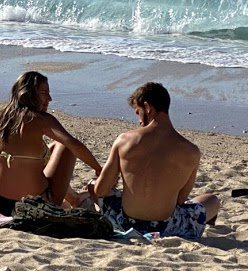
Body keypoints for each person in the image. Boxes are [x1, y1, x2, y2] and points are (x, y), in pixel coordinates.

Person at [89, 82, 220, 239]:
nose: (138, 121)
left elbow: (100, 191)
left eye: (138, 112)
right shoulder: (191, 151)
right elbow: (180, 200)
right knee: (212, 200)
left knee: (93, 185)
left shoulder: (124, 140)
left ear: (147, 107)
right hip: (166, 228)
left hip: (124, 222)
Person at [0, 71, 102, 216]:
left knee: (50, 149)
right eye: (44, 92)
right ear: (27, 94)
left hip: (0, 203)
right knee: (65, 146)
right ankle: (75, 200)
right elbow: (74, 145)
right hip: (36, 205)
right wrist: (98, 169)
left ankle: (74, 197)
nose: (50, 98)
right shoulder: (42, 120)